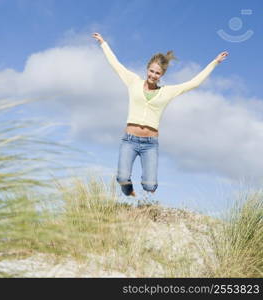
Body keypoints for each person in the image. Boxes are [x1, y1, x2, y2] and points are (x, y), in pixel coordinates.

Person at [92, 32, 228, 198]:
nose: (153, 75)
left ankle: (145, 202)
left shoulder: (167, 92)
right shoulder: (133, 82)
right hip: (130, 139)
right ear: (147, 68)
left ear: (161, 75)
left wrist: (214, 63)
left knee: (150, 186)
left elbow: (194, 83)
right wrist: (103, 43)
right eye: (151, 71)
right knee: (122, 178)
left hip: (150, 143)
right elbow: (116, 64)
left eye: (157, 73)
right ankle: (129, 192)